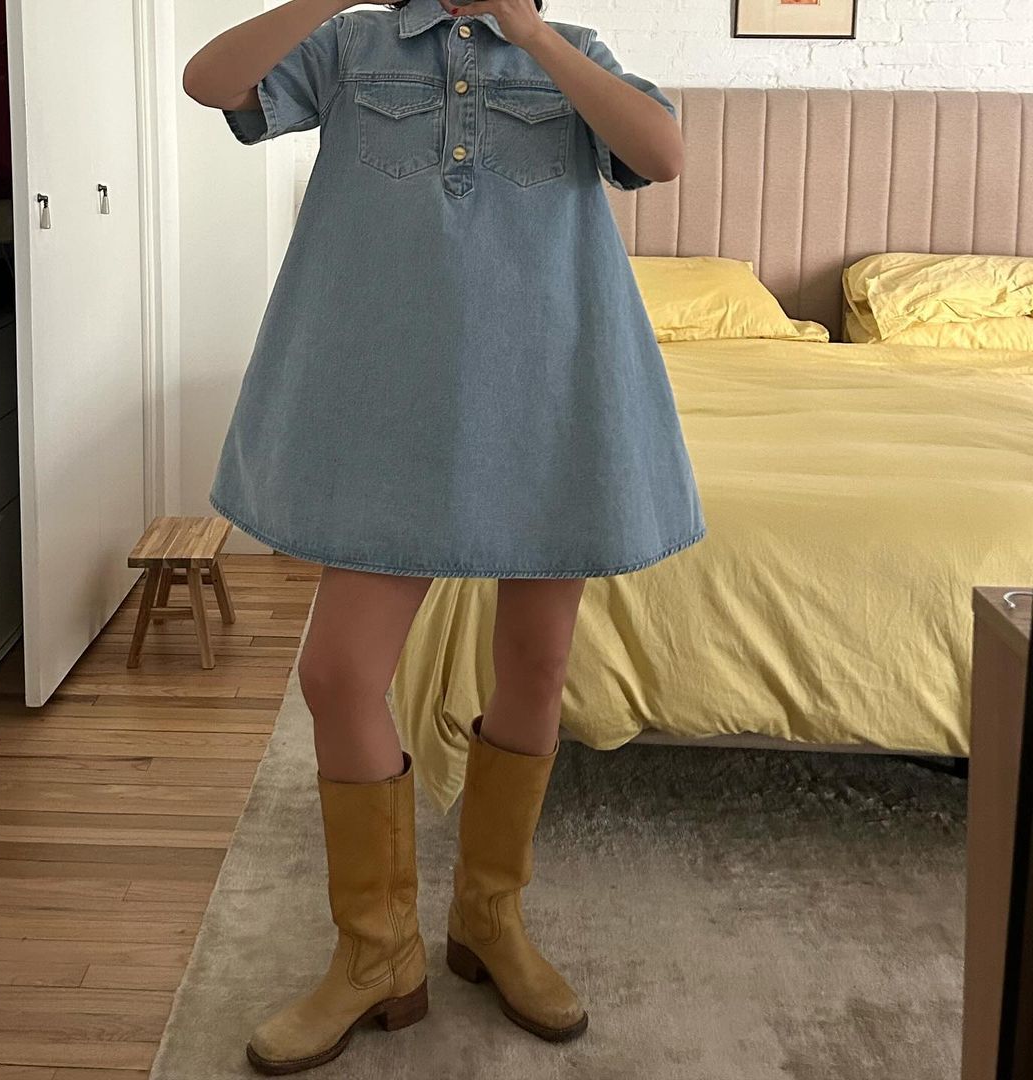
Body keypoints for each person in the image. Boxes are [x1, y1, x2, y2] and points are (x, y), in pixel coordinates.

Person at [183, 0, 706, 1071]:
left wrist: (534, 33)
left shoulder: (572, 53)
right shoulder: (351, 46)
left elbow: (660, 153)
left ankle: (488, 918)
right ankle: (375, 952)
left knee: (538, 663)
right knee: (338, 674)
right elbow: (210, 80)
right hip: (393, 411)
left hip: (550, 396)